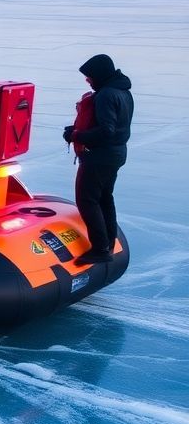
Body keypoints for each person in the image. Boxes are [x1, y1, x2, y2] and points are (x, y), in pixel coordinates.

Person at [63, 53, 133, 265]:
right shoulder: (123, 92)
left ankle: (100, 249)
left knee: (87, 199)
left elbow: (106, 131)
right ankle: (108, 243)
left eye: (89, 77)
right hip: (117, 153)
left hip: (100, 156)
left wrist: (76, 136)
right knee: (105, 198)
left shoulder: (105, 96)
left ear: (99, 75)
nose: (88, 81)